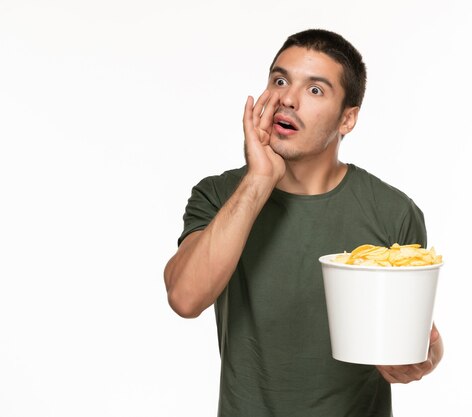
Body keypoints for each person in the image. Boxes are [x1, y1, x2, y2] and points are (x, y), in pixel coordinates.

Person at [164, 29, 443, 417]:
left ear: (348, 118)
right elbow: (185, 297)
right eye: (279, 81)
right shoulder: (220, 194)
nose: (288, 99)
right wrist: (260, 180)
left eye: (315, 90)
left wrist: (426, 355)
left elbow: (412, 335)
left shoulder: (393, 212)